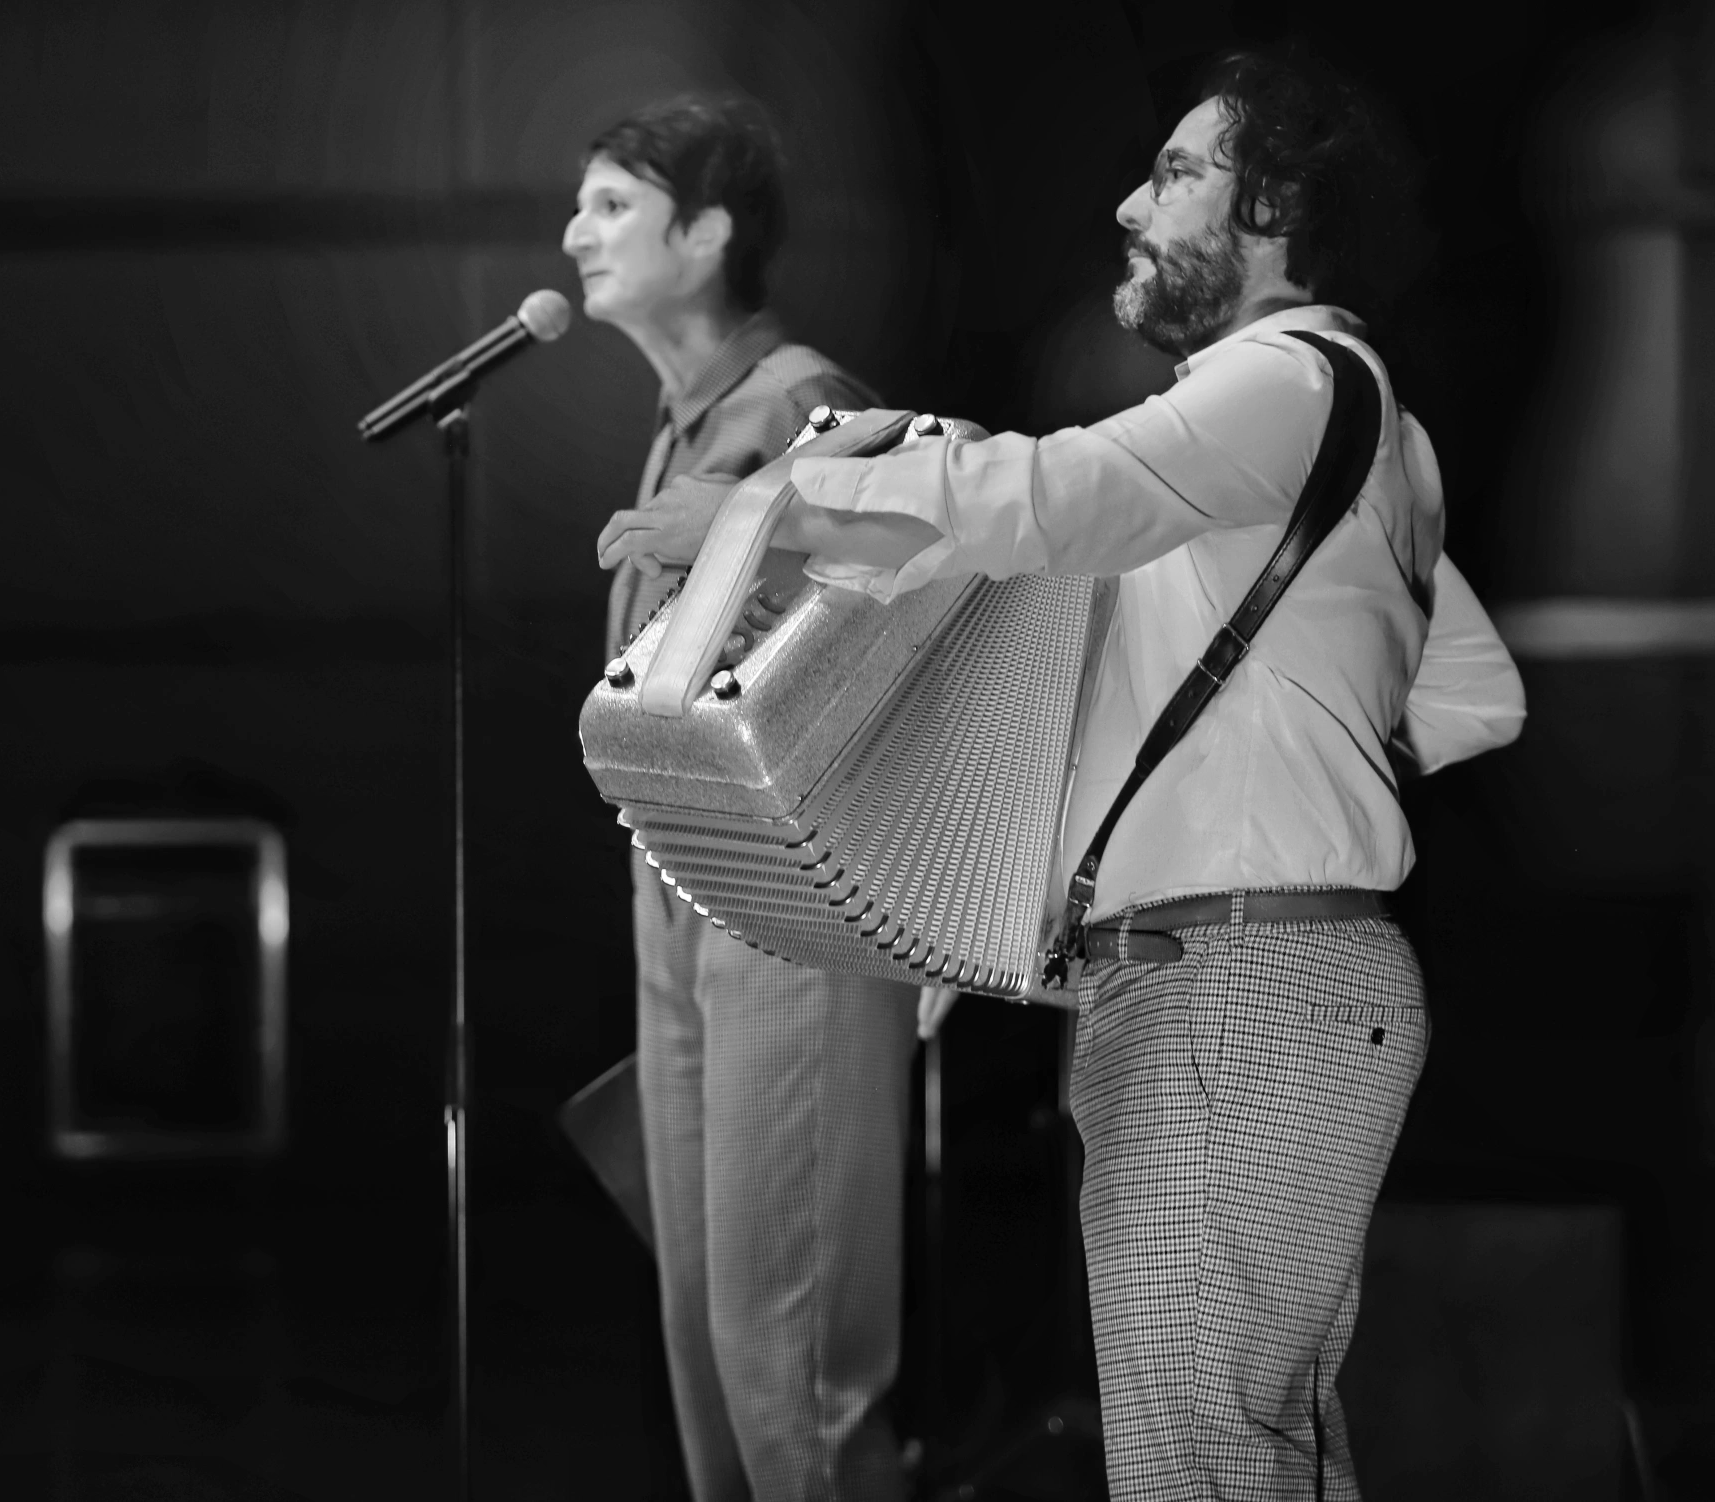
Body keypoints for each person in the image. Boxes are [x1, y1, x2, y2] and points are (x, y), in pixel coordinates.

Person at [600, 53, 1527, 1501]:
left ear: (1276, 206)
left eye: (1176, 173)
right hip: (1281, 982)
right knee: (1258, 1454)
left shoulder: (1280, 380)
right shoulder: (1380, 431)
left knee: (1198, 1464)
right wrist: (1293, 758)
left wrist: (768, 506)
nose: (1126, 204)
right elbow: (1472, 694)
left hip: (1236, 979)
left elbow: (1041, 497)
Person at [566, 95, 920, 1502]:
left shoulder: (803, 400)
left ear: (707, 233)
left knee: (794, 1373)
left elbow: (881, 622)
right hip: (684, 882)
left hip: (785, 889)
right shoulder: (682, 424)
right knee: (711, 1347)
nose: (575, 233)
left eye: (611, 205)